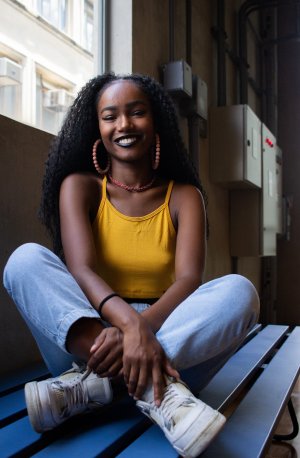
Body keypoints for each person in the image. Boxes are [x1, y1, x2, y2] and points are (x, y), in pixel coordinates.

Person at [3, 72, 259, 457]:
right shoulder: (80, 186)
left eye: (136, 112)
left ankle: (94, 388)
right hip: (91, 340)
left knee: (241, 292)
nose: (123, 124)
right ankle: (156, 392)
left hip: (168, 338)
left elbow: (189, 280)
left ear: (155, 121)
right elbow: (81, 269)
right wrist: (126, 328)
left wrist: (141, 331)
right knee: (24, 261)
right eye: (110, 116)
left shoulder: (184, 196)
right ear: (98, 127)